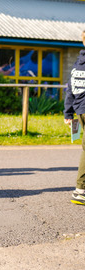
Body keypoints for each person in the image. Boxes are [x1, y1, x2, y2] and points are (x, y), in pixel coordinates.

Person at [64, 30, 85, 205]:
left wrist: (68, 113)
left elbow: (69, 89)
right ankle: (80, 190)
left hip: (80, 111)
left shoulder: (77, 65)